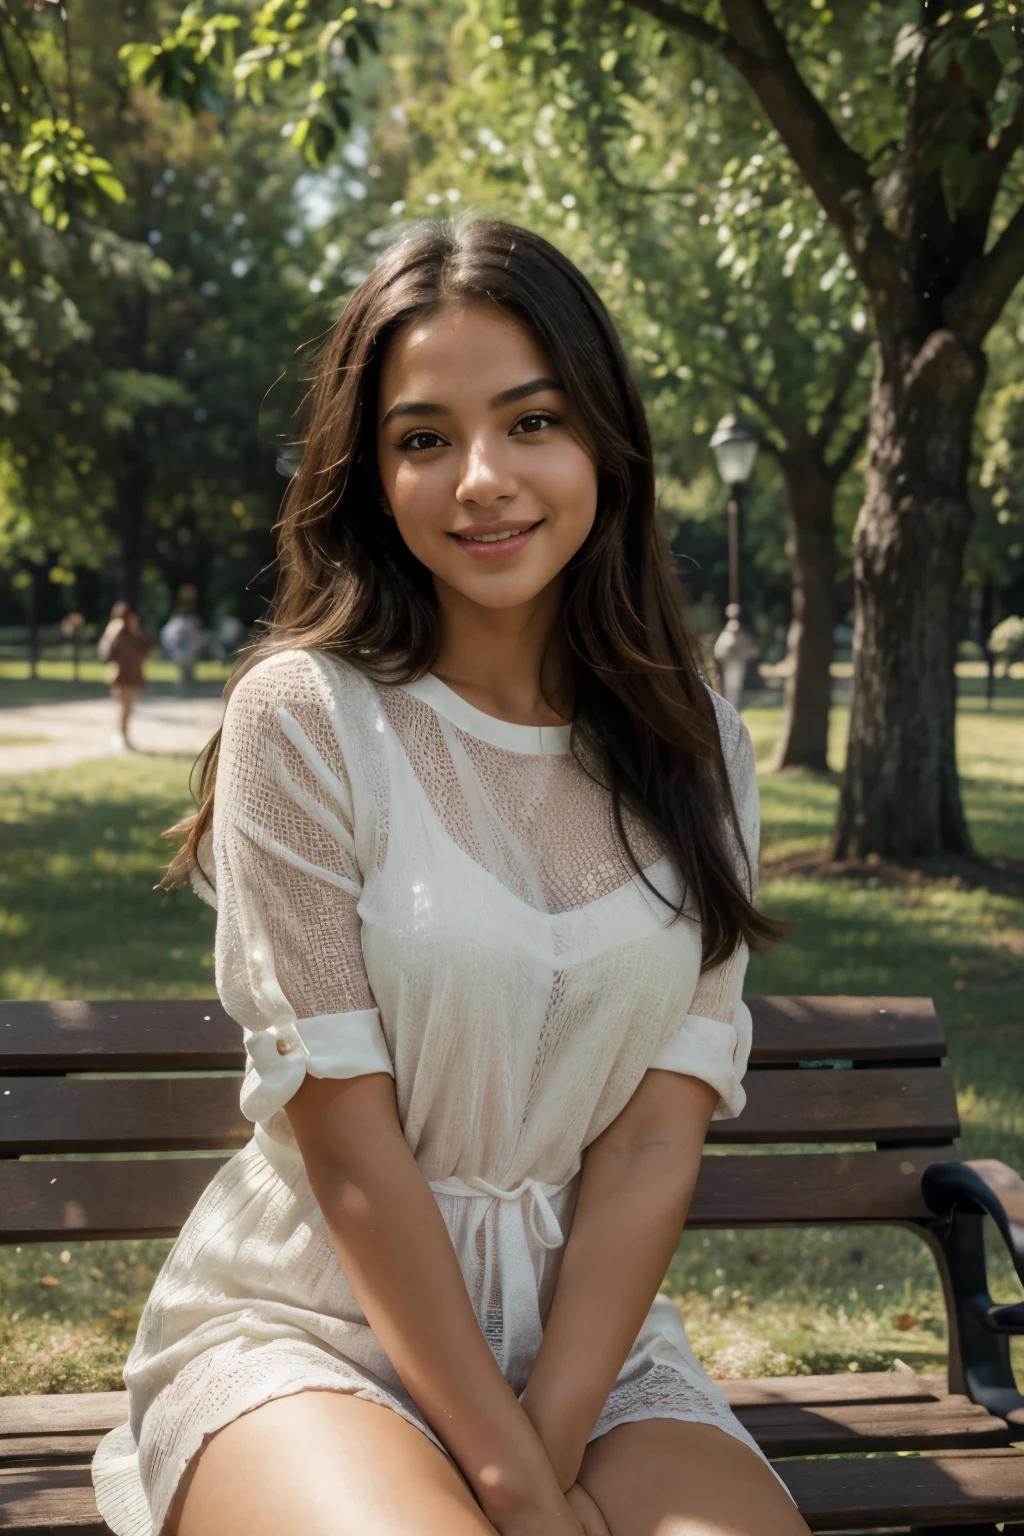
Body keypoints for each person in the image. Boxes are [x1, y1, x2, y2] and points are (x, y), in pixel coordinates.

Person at [92, 219, 808, 1536]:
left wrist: (550, 1443)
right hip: (309, 1328)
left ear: (604, 440)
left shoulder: (696, 743)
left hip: (589, 1360)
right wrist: (521, 1501)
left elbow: (658, 1133)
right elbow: (351, 1154)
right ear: (371, 476)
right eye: (424, 438)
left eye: (532, 421)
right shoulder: (305, 720)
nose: (482, 478)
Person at [97, 601, 153, 752]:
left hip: (133, 675)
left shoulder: (133, 634)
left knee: (128, 708)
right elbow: (107, 653)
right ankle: (119, 735)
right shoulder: (117, 632)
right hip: (121, 675)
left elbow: (144, 648)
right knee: (123, 707)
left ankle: (124, 735)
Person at [160, 587, 206, 695]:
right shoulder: (185, 623)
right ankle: (186, 691)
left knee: (187, 673)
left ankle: (187, 691)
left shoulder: (181, 623)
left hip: (185, 652)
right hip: (184, 652)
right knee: (186, 673)